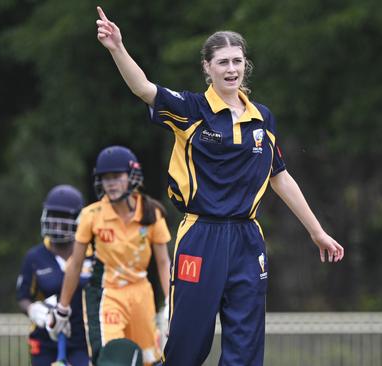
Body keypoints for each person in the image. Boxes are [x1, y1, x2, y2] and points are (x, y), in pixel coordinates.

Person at [94, 7, 345, 366]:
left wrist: (317, 232)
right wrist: (117, 47)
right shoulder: (193, 110)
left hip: (247, 239)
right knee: (188, 343)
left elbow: (280, 177)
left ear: (246, 65)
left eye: (237, 61)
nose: (231, 69)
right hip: (202, 235)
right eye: (223, 62)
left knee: (245, 343)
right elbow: (144, 89)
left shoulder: (263, 118)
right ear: (207, 68)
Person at [50, 145, 172, 365]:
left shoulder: (152, 213)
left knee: (149, 359)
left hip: (141, 294)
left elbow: (163, 262)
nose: (111, 183)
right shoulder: (91, 215)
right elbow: (75, 265)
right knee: (113, 358)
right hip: (108, 295)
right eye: (105, 178)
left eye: (116, 176)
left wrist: (171, 302)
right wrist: (63, 307)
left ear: (132, 176)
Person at [16, 184, 91, 366]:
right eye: (53, 215)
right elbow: (23, 296)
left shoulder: (91, 255)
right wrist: (34, 310)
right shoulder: (35, 257)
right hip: (45, 341)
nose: (57, 223)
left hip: (82, 340)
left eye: (63, 216)